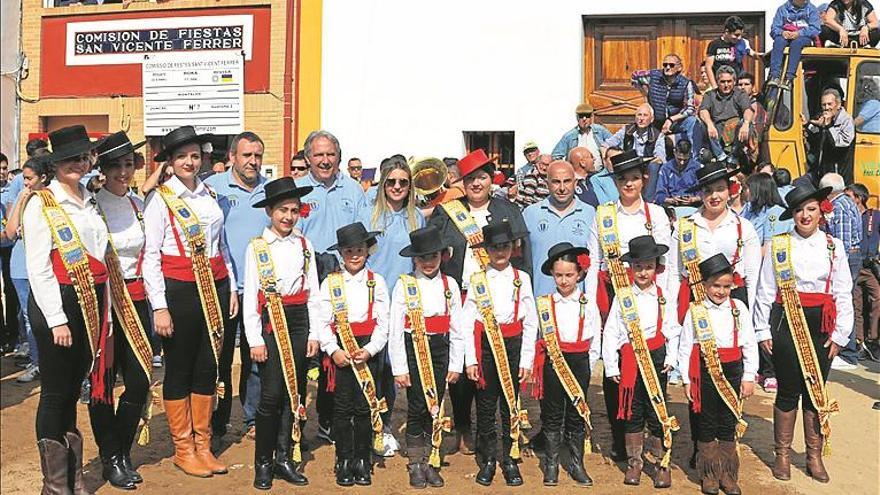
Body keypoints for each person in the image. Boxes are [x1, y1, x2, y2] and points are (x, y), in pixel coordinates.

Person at [143, 125, 237, 478]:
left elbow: (221, 244)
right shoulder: (161, 200)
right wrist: (160, 306)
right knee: (180, 367)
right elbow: (150, 256)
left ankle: (203, 443)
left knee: (207, 366)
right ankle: (183, 447)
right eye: (181, 156)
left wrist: (231, 287)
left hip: (214, 286)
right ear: (169, 161)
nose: (189, 161)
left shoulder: (209, 194)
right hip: (179, 290)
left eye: (195, 155)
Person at [23, 125, 109, 494]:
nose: (77, 163)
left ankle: (73, 477)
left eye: (82, 157)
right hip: (55, 302)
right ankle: (55, 486)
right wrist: (57, 319)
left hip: (87, 302)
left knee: (74, 388)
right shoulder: (42, 203)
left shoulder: (89, 200)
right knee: (55, 392)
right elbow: (38, 266)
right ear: (54, 164)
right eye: (69, 158)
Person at [428, 148, 531, 454]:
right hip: (462, 297)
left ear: (491, 180)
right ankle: (462, 425)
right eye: (470, 178)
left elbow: (522, 258)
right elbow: (432, 254)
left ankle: (499, 425)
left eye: (482, 177)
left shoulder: (508, 210)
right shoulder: (447, 212)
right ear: (462, 182)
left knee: (497, 361)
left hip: (500, 298)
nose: (476, 184)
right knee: (461, 362)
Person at [753, 183, 853, 484]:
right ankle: (782, 454)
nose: (805, 216)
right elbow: (765, 290)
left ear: (821, 211)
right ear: (792, 214)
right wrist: (762, 329)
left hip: (820, 322)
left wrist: (840, 335)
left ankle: (813, 455)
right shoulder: (779, 245)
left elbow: (843, 292)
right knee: (788, 389)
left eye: (811, 209)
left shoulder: (834, 246)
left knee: (815, 390)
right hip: (786, 320)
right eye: (799, 210)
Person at [585, 149, 674, 462]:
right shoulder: (604, 214)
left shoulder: (657, 215)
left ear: (643, 179)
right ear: (616, 181)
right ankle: (622, 434)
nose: (629, 183)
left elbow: (669, 263)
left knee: (652, 363)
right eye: (623, 178)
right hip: (613, 294)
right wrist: (592, 307)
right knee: (618, 366)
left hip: (651, 294)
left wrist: (665, 302)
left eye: (634, 177)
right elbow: (594, 260)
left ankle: (652, 432)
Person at [81, 131, 156, 490]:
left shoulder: (139, 206)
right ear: (104, 169)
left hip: (137, 299)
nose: (124, 172)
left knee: (139, 381)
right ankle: (110, 456)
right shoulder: (92, 206)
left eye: (129, 165)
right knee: (103, 385)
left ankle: (121, 450)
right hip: (105, 303)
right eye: (117, 166)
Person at [242, 177, 320, 490]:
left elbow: (313, 290)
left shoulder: (304, 244)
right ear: (270, 212)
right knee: (272, 394)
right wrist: (255, 339)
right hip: (271, 320)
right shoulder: (257, 247)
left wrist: (314, 333)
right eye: (282, 211)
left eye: (293, 210)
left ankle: (284, 457)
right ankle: (263, 462)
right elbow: (251, 295)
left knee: (294, 392)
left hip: (299, 319)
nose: (288, 217)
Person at [295, 130, 367, 443]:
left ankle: (334, 417)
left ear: (339, 156)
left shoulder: (353, 189)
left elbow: (363, 235)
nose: (325, 160)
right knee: (306, 352)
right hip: (307, 282)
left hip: (343, 279)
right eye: (318, 155)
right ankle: (297, 420)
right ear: (307, 158)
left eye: (330, 154)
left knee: (338, 351)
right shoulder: (295, 190)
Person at [204, 131, 271, 440]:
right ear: (231, 157)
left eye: (257, 155)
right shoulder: (211, 189)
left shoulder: (270, 192)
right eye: (246, 155)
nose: (252, 161)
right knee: (218, 359)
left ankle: (252, 418)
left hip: (260, 292)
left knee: (255, 357)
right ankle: (217, 421)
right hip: (225, 289)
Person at [461, 219, 538, 487]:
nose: (500, 252)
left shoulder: (522, 278)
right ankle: (489, 458)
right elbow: (468, 321)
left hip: (513, 345)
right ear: (486, 250)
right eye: (494, 247)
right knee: (485, 405)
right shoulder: (478, 280)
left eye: (504, 246)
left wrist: (527, 358)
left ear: (513, 247)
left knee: (510, 404)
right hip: (485, 347)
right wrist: (470, 359)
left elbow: (531, 321)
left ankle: (509, 457)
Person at [357, 155, 425, 457]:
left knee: (396, 368)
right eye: (392, 181)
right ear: (383, 183)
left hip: (404, 301)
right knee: (374, 367)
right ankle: (365, 425)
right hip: (375, 299)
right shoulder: (368, 214)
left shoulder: (417, 217)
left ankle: (383, 425)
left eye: (403, 182)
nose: (397, 187)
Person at [389, 225, 465, 488]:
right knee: (418, 405)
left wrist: (456, 363)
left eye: (433, 256)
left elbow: (458, 328)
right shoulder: (404, 285)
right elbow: (396, 330)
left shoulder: (450, 285)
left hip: (440, 349)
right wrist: (400, 367)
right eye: (423, 257)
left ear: (441, 256)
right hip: (414, 348)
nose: (428, 262)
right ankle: (416, 462)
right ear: (415, 259)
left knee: (437, 404)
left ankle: (432, 459)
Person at [602, 235, 681, 489]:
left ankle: (661, 462)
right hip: (629, 360)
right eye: (638, 267)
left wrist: (670, 357)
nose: (643, 272)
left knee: (657, 410)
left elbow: (672, 329)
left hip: (656, 357)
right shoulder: (623, 296)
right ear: (631, 268)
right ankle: (635, 462)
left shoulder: (663, 295)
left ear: (656, 267)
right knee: (633, 411)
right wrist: (612, 365)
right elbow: (612, 330)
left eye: (648, 266)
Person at [315, 222, 390, 487]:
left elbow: (384, 323)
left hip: (366, 350)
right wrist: (333, 350)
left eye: (359, 249)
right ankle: (344, 459)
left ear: (368, 251)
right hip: (342, 352)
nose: (355, 255)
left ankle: (362, 458)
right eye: (349, 251)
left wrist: (370, 350)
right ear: (341, 254)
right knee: (342, 407)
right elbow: (322, 321)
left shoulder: (376, 282)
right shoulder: (331, 283)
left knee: (365, 407)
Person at [678, 254, 758, 495]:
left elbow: (749, 343)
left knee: (727, 423)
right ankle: (709, 474)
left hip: (732, 371)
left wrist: (749, 375)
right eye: (715, 286)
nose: (721, 291)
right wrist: (685, 380)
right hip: (704, 372)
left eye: (726, 286)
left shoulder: (739, 309)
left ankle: (728, 474)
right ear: (703, 285)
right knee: (706, 423)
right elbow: (684, 347)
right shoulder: (696, 311)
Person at [531, 242, 600, 487]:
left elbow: (595, 338)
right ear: (551, 274)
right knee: (551, 413)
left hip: (579, 361)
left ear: (579, 274)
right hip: (552, 361)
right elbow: (535, 334)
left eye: (569, 275)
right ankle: (551, 463)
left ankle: (575, 462)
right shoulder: (544, 304)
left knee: (576, 412)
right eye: (559, 275)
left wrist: (588, 364)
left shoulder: (587, 303)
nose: (563, 280)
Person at [4, 156, 53, 383]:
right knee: (29, 318)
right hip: (21, 267)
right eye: (24, 178)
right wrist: (22, 201)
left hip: (47, 267)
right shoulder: (22, 196)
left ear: (43, 178)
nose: (25, 183)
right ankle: (37, 363)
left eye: (29, 179)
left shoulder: (54, 198)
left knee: (50, 316)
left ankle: (54, 364)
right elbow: (10, 232)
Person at [523, 161, 596, 297]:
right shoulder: (530, 214)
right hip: (541, 303)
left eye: (567, 181)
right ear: (547, 183)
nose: (562, 188)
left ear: (575, 183)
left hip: (579, 304)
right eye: (556, 182)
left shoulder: (590, 213)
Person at [819, 173, 863, 369]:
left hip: (847, 258)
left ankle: (848, 352)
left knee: (843, 300)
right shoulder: (847, 202)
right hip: (853, 256)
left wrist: (836, 262)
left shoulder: (840, 206)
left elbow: (842, 241)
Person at [631, 53, 702, 159]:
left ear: (679, 68)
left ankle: (693, 159)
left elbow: (690, 108)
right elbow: (635, 76)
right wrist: (645, 96)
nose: (667, 67)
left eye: (671, 65)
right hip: (656, 121)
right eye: (665, 65)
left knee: (692, 121)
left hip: (675, 122)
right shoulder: (654, 76)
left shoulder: (686, 83)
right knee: (642, 117)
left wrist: (671, 120)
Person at [845, 183, 880, 362]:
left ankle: (873, 339)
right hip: (852, 265)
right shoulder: (847, 216)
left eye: (849, 196)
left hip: (870, 266)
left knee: (877, 300)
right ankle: (859, 341)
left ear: (858, 198)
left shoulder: (874, 216)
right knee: (854, 303)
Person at [699, 65, 755, 165]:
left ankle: (733, 155)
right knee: (702, 122)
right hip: (716, 133)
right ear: (717, 82)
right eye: (722, 82)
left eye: (729, 81)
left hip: (734, 134)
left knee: (746, 123)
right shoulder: (710, 95)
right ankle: (720, 156)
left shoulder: (740, 94)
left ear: (734, 82)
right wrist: (709, 124)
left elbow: (748, 110)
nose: (726, 85)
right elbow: (703, 111)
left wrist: (746, 124)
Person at [768, 0, 822, 90]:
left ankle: (789, 78)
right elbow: (774, 28)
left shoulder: (812, 9)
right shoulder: (782, 9)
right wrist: (782, 32)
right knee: (778, 41)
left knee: (796, 43)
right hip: (785, 35)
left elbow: (816, 29)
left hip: (803, 37)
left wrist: (799, 33)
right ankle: (775, 76)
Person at [807, 89, 856, 183]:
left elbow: (841, 143)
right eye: (824, 104)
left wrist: (829, 126)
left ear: (838, 105)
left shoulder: (846, 120)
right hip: (824, 169)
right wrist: (808, 125)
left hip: (839, 172)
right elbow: (817, 140)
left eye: (830, 104)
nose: (826, 108)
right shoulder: (824, 118)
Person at [602, 103, 668, 168]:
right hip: (628, 168)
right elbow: (606, 144)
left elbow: (660, 158)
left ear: (652, 119)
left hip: (647, 167)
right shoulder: (627, 130)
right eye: (639, 115)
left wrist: (642, 161)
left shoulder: (658, 135)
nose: (641, 118)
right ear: (635, 118)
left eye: (645, 115)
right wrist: (605, 157)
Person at [705, 15, 763, 89]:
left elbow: (753, 54)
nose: (739, 38)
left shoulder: (742, 42)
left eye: (741, 35)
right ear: (727, 31)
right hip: (721, 85)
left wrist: (764, 56)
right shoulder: (714, 44)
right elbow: (708, 66)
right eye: (736, 35)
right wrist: (714, 86)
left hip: (736, 86)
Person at [653, 139, 702, 215]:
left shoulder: (698, 168)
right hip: (672, 208)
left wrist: (694, 199)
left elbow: (705, 192)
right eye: (679, 159)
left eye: (685, 160)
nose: (682, 163)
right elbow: (659, 194)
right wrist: (671, 200)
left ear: (690, 154)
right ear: (674, 152)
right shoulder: (666, 169)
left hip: (695, 207)